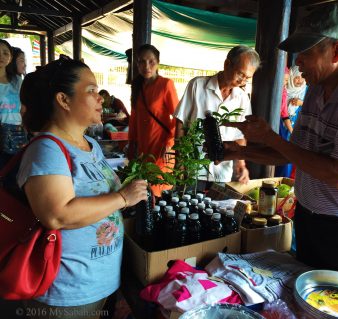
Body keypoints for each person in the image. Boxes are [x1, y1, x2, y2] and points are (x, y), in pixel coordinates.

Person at [222, 3, 338, 284]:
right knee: (306, 300)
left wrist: (269, 136)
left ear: (336, 52)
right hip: (309, 219)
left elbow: (337, 174)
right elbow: (293, 153)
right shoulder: (315, 90)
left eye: (307, 52)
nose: (298, 61)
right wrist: (239, 151)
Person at [17, 56, 147, 319]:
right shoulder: (47, 150)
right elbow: (57, 215)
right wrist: (122, 197)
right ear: (63, 100)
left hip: (102, 282)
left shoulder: (90, 144)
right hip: (67, 292)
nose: (101, 98)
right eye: (91, 91)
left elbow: (103, 193)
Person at [174, 45, 260, 191]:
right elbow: (181, 124)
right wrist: (180, 161)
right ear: (227, 64)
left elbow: (240, 136)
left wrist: (241, 164)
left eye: (247, 78)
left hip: (222, 171)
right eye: (240, 74)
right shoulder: (197, 85)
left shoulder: (242, 98)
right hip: (193, 168)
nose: (242, 81)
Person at [127, 44, 179, 197]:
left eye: (151, 61)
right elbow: (134, 118)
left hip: (163, 149)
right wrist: (132, 143)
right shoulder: (137, 86)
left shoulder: (166, 84)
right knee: (145, 191)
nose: (146, 66)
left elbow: (178, 117)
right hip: (143, 148)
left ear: (158, 63)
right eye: (142, 62)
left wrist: (169, 143)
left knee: (159, 191)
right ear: (137, 64)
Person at [275, 65, 307, 178]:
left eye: (303, 77)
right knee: (280, 154)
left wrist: (301, 103)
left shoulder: (306, 90)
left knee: (291, 158)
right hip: (281, 125)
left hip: (296, 126)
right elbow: (282, 111)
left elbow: (314, 107)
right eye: (297, 77)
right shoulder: (283, 89)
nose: (300, 81)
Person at [0, 39, 26, 168]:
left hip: (16, 132)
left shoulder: (16, 80)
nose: (1, 56)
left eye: (5, 53)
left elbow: (23, 106)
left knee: (13, 169)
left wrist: (23, 127)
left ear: (10, 57)